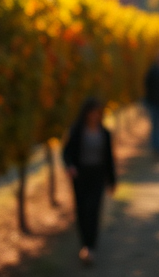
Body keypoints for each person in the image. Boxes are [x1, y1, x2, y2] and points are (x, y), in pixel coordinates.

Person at [62, 97, 117, 266]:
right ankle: (84, 244)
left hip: (97, 175)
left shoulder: (105, 133)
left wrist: (112, 180)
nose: (95, 116)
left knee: (93, 209)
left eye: (98, 113)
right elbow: (67, 152)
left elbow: (109, 159)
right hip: (81, 176)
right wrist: (70, 166)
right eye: (92, 113)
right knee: (81, 210)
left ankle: (90, 247)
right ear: (86, 113)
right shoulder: (77, 131)